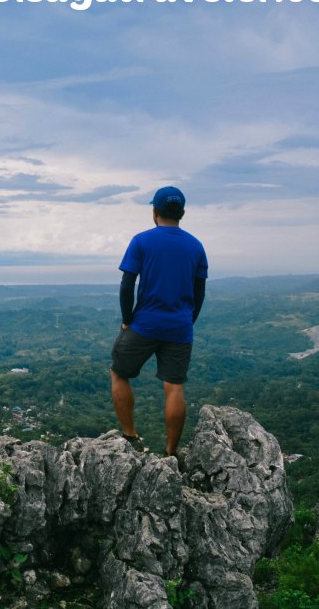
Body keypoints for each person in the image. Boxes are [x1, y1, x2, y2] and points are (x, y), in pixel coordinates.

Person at [110, 186, 208, 456]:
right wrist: (189, 320)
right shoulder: (196, 246)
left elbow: (127, 284)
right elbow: (199, 291)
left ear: (155, 212)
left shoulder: (142, 241)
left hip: (144, 324)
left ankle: (130, 436)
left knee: (119, 373)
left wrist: (127, 319)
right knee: (174, 387)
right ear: (183, 213)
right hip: (180, 327)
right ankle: (171, 452)